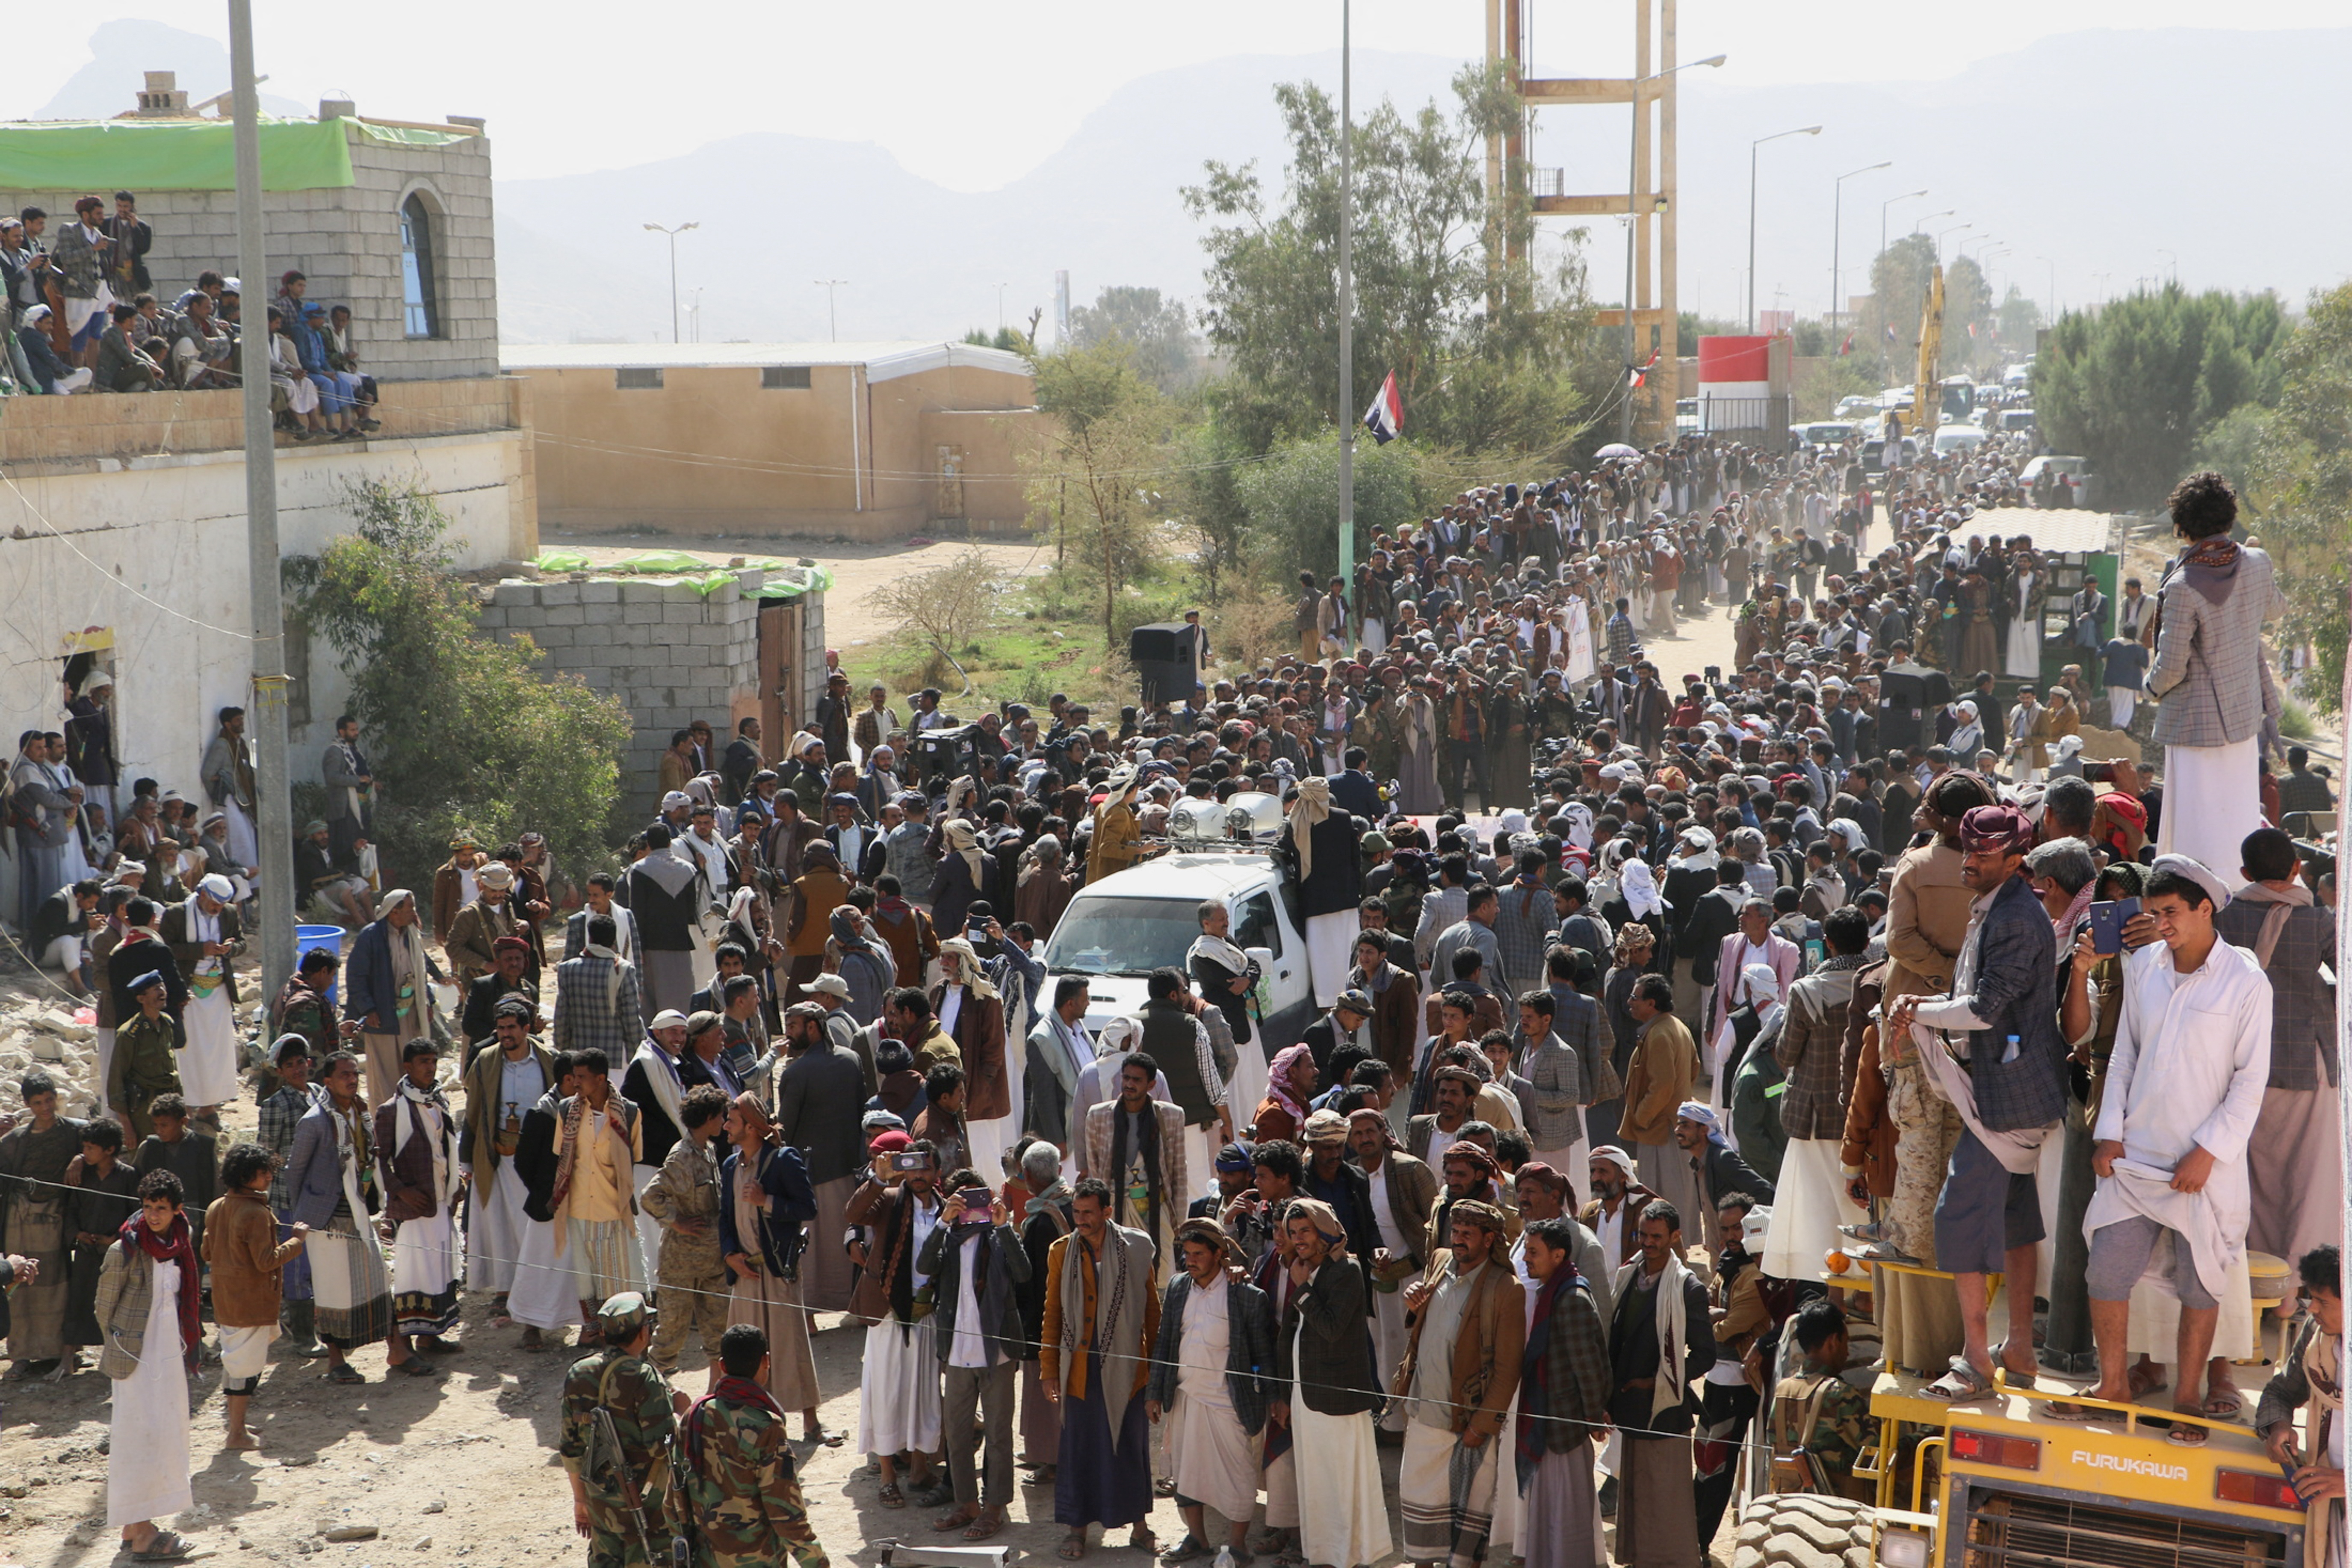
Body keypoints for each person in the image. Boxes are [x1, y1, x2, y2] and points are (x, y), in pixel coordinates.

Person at [2059, 856, 2270, 1437]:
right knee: (2106, 1270)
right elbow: (2124, 1051)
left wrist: (2208, 1150)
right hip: (2138, 1157)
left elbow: (2250, 1081)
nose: (2161, 923)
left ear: (2206, 908)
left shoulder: (2247, 980)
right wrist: (2110, 1132)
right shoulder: (2145, 964)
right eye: (2154, 913)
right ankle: (2113, 1383)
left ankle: (2187, 1399)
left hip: (2206, 1167)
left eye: (2171, 911)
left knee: (2201, 1283)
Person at [1884, 803, 2065, 1400]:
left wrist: (1917, 1011)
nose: (1972, 861)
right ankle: (2019, 1347)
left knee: (1956, 1218)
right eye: (1970, 850)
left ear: (2016, 859)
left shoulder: (2014, 916)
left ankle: (1976, 1361)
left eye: (1985, 854)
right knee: (2015, 1223)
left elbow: (1985, 1009)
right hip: (2003, 1089)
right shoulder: (1997, 905)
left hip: (2008, 1096)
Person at [2145, 472, 2287, 876]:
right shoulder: (2257, 562)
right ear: (2229, 517)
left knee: (2194, 827)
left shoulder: (2183, 583)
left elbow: (2171, 667)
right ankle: (2240, 893)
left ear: (2183, 526)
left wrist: (2150, 687)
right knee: (2237, 817)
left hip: (2194, 723)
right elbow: (2276, 610)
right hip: (2243, 718)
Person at [2216, 829, 2340, 1287]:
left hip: (2242, 1061)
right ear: (2296, 869)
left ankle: (2249, 1282)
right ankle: (2293, 1290)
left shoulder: (2225, 918)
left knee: (2248, 1175)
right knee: (2309, 1180)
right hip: (2309, 1061)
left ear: (2246, 873)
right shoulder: (2322, 920)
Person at [1397, 1201, 1525, 1568]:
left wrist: (1481, 1426)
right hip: (1425, 1413)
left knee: (1465, 1530)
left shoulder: (1506, 1288)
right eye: (1455, 1232)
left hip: (1466, 1422)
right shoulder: (1439, 1261)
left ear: (1490, 1239)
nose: (1458, 1240)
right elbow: (1425, 1322)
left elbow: (1507, 1369)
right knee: (1421, 1516)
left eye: (1468, 1234)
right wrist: (1413, 1303)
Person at [1040, 1175, 1161, 1560]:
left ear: (1108, 1211)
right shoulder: (1061, 1251)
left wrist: (1157, 1373)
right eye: (1076, 1212)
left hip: (1128, 1370)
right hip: (1079, 1369)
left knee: (1129, 1446)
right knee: (1079, 1449)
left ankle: (1140, 1529)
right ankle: (1078, 1530)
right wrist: (1048, 1370)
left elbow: (1151, 1311)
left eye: (1089, 1213)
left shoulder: (1138, 1247)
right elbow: (1053, 1313)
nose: (1081, 1220)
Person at [1146, 1216, 1275, 1564]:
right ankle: (1197, 1538)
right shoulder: (1177, 1287)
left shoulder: (1246, 1295)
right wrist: (1154, 1391)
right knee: (1187, 1472)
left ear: (1220, 1255)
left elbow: (1264, 1353)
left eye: (1199, 1253)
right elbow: (1165, 1343)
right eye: (1187, 1253)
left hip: (1229, 1402)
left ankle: (1237, 1545)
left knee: (1239, 1474)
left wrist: (1273, 1398)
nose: (1191, 1260)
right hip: (1187, 1398)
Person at [1274, 1196, 1392, 1568]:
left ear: (1325, 1230)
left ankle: (1349, 1556)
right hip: (1309, 1396)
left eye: (1305, 1230)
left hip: (1337, 1398)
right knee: (1317, 1480)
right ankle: (1323, 1555)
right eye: (1293, 1233)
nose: (1299, 1239)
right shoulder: (1306, 1267)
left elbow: (1330, 1328)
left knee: (1342, 1482)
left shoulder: (1347, 1271)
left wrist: (1302, 1289)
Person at [94, 1168, 202, 1563]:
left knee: (164, 1434)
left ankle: (133, 1526)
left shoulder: (182, 1244)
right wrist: (126, 1345)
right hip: (135, 1360)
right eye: (147, 1207)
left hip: (168, 1355)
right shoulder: (125, 1249)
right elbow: (104, 1309)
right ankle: (143, 1534)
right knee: (137, 1438)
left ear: (176, 1210)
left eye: (161, 1208)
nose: (153, 1215)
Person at [919, 1166, 1031, 1541]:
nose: (972, 1207)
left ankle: (995, 1507)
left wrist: (1003, 1226)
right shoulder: (949, 1237)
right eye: (963, 1200)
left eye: (977, 1197)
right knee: (957, 1430)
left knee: (999, 1434)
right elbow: (923, 1266)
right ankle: (967, 1503)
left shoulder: (999, 1236)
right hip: (957, 1352)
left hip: (997, 1351)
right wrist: (941, 1223)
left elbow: (1023, 1272)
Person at [1762, 904, 1872, 1279]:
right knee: (1865, 1210)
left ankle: (1835, 1299)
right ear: (1867, 942)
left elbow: (1787, 1053)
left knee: (1819, 1215)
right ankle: (1871, 1295)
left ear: (1828, 944)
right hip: (1869, 1117)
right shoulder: (1881, 985)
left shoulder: (1806, 992)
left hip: (1815, 1117)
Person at [715, 1091, 830, 1439]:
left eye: (732, 1121)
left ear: (751, 1127)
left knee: (789, 1345)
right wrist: (729, 1254)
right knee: (745, 1351)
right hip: (745, 1272)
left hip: (778, 1268)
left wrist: (769, 1201)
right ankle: (749, 1422)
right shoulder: (730, 1165)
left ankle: (810, 1423)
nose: (725, 1127)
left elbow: (807, 1208)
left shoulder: (783, 1159)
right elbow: (725, 1218)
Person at [1605, 1199, 1712, 1568]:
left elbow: (1704, 1355)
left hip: (1664, 1411)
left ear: (1675, 1237)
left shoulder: (1687, 1288)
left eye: (1656, 1237)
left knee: (1666, 1502)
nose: (1647, 1243)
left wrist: (1656, 1381)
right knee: (1636, 1496)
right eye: (1643, 1235)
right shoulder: (1628, 1276)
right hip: (1631, 1410)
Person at [678, 1323, 833, 1568]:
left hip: (706, 1557)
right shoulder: (766, 1426)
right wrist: (817, 1563)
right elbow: (785, 1513)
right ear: (766, 1361)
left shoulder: (695, 1415)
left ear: (722, 1366)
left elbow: (675, 1493)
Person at [848, 1130, 947, 1509]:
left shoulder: (944, 1208)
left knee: (923, 1391)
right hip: (888, 1311)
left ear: (936, 1170)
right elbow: (853, 1214)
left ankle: (920, 1468)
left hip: (927, 1312)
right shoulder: (890, 1199)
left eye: (925, 1165)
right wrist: (878, 1178)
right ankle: (888, 1475)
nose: (918, 1173)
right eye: (911, 1165)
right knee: (886, 1391)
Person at [283, 1053, 395, 1382]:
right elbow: (295, 1174)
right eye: (344, 1074)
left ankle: (397, 1348)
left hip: (358, 1213)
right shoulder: (315, 1121)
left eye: (355, 1073)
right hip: (326, 1221)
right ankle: (335, 1360)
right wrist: (308, 1217)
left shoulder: (360, 1115)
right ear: (328, 1081)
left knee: (376, 1279)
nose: (352, 1079)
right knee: (332, 1292)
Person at [559, 1292, 685, 1568]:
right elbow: (662, 1445)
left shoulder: (579, 1373)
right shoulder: (644, 1377)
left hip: (600, 1500)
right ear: (643, 1333)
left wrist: (580, 1500)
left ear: (603, 1332)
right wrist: (677, 1418)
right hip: (646, 1501)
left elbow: (571, 1448)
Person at [1515, 1214, 1612, 1568]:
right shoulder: (1552, 1289)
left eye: (1534, 1252)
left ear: (1558, 1255)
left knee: (1567, 1516)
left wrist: (1592, 1414)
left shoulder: (1571, 1296)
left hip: (1565, 1427)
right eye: (1526, 1250)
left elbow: (1588, 1366)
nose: (1526, 1258)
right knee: (1548, 1516)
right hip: (1548, 1422)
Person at [202, 1141, 307, 1450]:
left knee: (235, 1362)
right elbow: (266, 1260)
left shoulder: (217, 1206)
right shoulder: (254, 1213)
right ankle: (236, 1433)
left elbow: (207, 1251)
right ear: (248, 1176)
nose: (269, 1178)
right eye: (263, 1173)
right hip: (250, 1301)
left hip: (226, 1299)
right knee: (244, 1369)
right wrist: (296, 1241)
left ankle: (238, 1426)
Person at [773, 997, 869, 1314]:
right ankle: (854, 1306)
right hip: (849, 1169)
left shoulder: (797, 1073)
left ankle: (811, 1312)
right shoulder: (851, 1059)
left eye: (793, 1027)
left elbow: (785, 1130)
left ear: (812, 1027)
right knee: (846, 1240)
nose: (788, 1034)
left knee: (812, 1250)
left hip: (811, 1175)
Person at [460, 1001, 553, 1318]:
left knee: (535, 1223)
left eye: (512, 1028)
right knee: (499, 1223)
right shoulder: (486, 1060)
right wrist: (467, 1160)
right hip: (497, 1156)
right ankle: (504, 1290)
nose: (506, 1034)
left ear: (527, 1029)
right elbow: (473, 1113)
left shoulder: (546, 1060)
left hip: (538, 1158)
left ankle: (538, 1286)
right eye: (501, 1028)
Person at [2253, 1246, 2345, 1563]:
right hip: (2333, 1510)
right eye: (2311, 1298)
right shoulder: (2319, 1334)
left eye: (2324, 1302)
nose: (2312, 1310)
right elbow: (2282, 1391)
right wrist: (2278, 1426)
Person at [377, 1040, 465, 1366]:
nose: (430, 1067)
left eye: (433, 1061)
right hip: (414, 1209)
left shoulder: (437, 1100)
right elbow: (378, 1163)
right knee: (413, 1274)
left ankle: (431, 1334)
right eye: (423, 1062)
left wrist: (456, 1183)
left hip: (440, 1202)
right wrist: (401, 1190)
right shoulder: (391, 1110)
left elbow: (445, 1149)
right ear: (408, 1067)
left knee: (439, 1269)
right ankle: (401, 1346)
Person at [551, 1048, 650, 1327]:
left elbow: (634, 1157)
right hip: (579, 1210)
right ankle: (599, 1335)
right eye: (574, 1076)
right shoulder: (566, 1111)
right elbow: (562, 1155)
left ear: (601, 1078)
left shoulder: (629, 1113)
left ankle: (627, 1338)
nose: (576, 1082)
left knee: (621, 1279)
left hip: (615, 1211)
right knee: (588, 1280)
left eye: (582, 1077)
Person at [0, 1069, 83, 1371]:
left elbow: (101, 1142)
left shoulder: (73, 1132)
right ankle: (20, 1354)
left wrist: (80, 1158)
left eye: (50, 1100)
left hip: (53, 1219)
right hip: (19, 1218)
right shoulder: (16, 1140)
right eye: (38, 1103)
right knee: (17, 1283)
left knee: (54, 1283)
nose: (46, 1108)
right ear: (28, 1104)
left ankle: (55, 1350)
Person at [1082, 1051, 1190, 1264]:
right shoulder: (1098, 1115)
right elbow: (1095, 1171)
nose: (1130, 1084)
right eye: (1126, 1078)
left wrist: (1178, 1220)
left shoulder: (1171, 1116)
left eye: (1137, 1080)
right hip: (1113, 1209)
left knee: (1158, 1279)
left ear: (1151, 1085)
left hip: (1156, 1210)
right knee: (1114, 1276)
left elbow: (1179, 1171)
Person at [1767, 1300, 1876, 1500]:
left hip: (1789, 1501)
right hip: (1838, 1507)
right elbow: (1877, 1456)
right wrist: (1924, 1435)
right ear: (1833, 1342)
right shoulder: (1841, 1395)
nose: (1847, 1352)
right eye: (1845, 1343)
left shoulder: (1782, 1391)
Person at [1618, 974, 1702, 1225]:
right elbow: (1694, 1069)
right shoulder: (1675, 1026)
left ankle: (1673, 1247)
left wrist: (1641, 1117)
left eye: (1635, 997)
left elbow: (1662, 1087)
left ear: (1651, 1004)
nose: (1630, 1002)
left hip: (1660, 1127)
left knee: (1663, 1194)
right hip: (1670, 1122)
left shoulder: (1660, 1034)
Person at [159, 872, 243, 1117]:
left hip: (218, 991)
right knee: (188, 1051)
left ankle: (209, 1107)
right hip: (188, 991)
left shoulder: (227, 914)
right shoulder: (176, 914)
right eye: (214, 904)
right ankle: (186, 1106)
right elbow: (165, 950)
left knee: (217, 1052)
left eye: (221, 905)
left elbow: (241, 942)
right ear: (203, 895)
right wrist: (199, 950)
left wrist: (230, 949)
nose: (218, 909)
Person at [346, 890, 438, 1109]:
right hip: (382, 1015)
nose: (414, 913)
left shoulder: (411, 935)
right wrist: (369, 1010)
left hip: (410, 1013)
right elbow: (356, 977)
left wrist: (429, 1001)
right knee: (385, 1073)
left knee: (412, 1064)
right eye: (410, 909)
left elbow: (421, 969)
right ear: (394, 912)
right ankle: (387, 1119)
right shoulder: (371, 937)